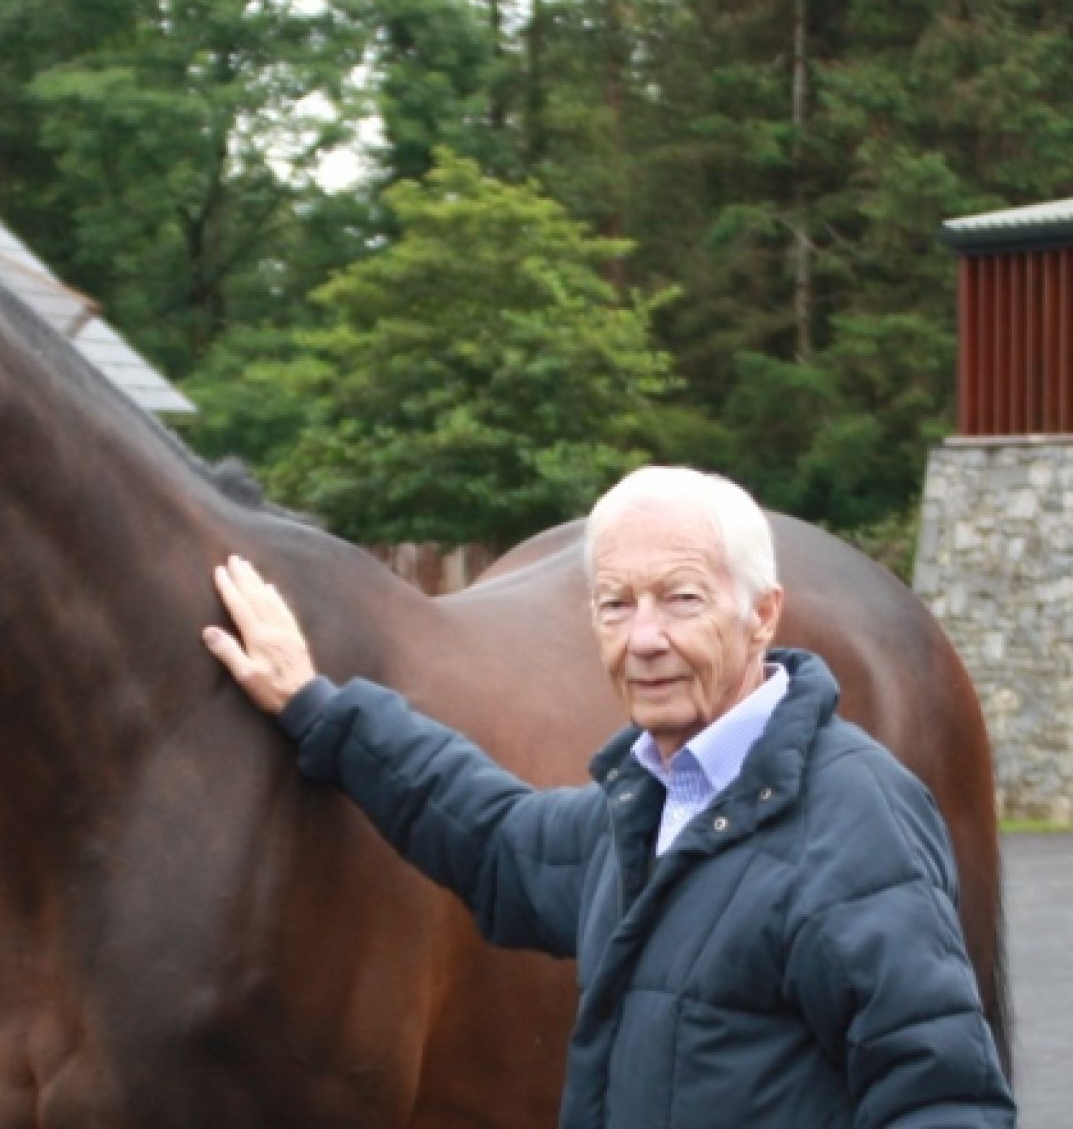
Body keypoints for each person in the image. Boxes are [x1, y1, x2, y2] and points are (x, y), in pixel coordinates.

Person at [203, 466, 1015, 1127]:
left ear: (763, 614)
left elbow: (943, 1098)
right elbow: (492, 835)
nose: (645, 638)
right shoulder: (649, 809)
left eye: (682, 598)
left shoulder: (853, 818)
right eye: (617, 604)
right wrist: (316, 705)